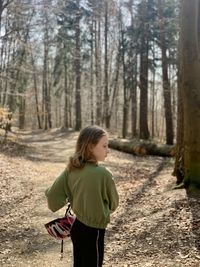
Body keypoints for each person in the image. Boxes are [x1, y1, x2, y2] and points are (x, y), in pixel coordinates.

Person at [45, 125, 119, 267]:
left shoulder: (72, 169)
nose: (108, 150)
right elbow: (114, 204)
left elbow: (52, 196)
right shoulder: (104, 174)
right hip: (95, 231)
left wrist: (72, 197)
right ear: (91, 146)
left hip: (77, 228)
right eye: (104, 146)